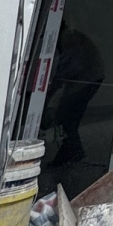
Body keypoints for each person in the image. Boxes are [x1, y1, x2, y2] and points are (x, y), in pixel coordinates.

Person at [43, 21, 105, 165]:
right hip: (90, 78)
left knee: (68, 115)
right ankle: (73, 150)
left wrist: (53, 89)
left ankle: (72, 151)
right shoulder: (71, 36)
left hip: (87, 79)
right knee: (69, 114)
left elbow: (69, 66)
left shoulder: (68, 38)